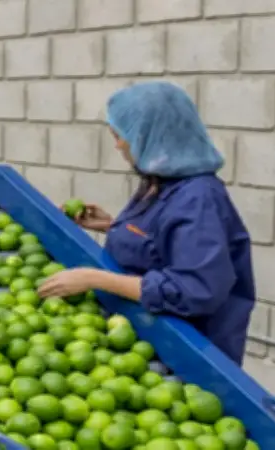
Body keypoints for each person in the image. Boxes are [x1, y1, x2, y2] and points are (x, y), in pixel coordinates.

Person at [37, 81, 255, 366]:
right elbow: (166, 243)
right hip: (145, 333)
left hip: (188, 355)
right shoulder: (161, 182)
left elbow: (195, 290)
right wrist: (113, 226)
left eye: (120, 136)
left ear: (149, 136)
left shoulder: (199, 198)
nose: (117, 145)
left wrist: (93, 278)